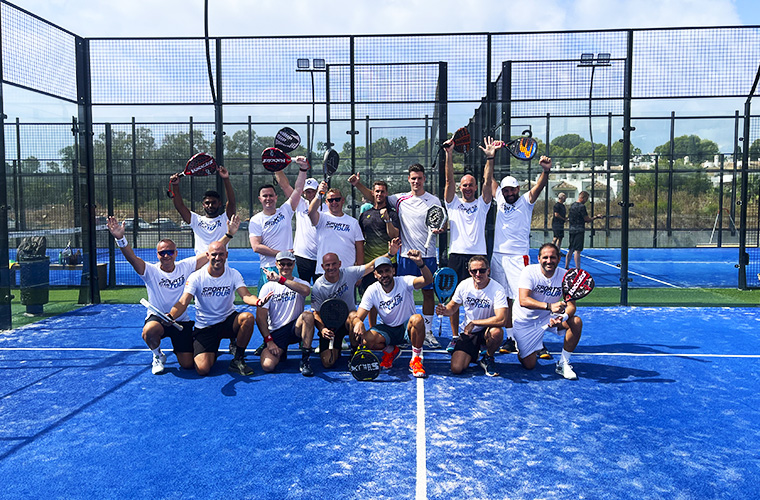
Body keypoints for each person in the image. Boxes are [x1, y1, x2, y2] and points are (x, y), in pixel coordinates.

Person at [106, 215, 239, 374]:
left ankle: (205, 352)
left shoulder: (186, 266)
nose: (166, 255)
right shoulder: (150, 271)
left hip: (180, 320)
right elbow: (132, 259)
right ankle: (157, 356)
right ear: (157, 255)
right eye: (162, 253)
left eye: (170, 252)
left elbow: (212, 252)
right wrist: (120, 239)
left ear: (176, 253)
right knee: (149, 330)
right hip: (158, 318)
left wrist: (229, 234)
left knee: (188, 364)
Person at [350, 165, 444, 349]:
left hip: (428, 254)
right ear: (409, 180)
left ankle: (427, 331)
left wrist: (440, 229)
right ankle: (400, 331)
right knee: (400, 292)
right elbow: (375, 196)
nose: (416, 181)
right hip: (405, 255)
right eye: (413, 178)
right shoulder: (399, 199)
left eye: (419, 178)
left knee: (427, 292)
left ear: (424, 179)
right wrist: (358, 184)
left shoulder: (434, 200)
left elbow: (440, 221)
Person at [167, 241, 272, 377]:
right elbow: (183, 301)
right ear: (207, 256)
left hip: (228, 320)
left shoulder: (233, 274)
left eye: (221, 254)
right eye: (214, 254)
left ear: (226, 255)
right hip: (206, 326)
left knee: (247, 318)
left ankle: (238, 359)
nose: (218, 258)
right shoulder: (196, 277)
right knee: (202, 369)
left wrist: (258, 301)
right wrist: (171, 315)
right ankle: (210, 349)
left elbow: (245, 295)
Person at [489, 156, 552, 355]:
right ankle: (511, 338)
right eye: (506, 190)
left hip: (518, 257)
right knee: (504, 299)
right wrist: (490, 157)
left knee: (524, 300)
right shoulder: (498, 197)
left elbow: (539, 187)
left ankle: (536, 341)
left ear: (518, 189)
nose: (508, 193)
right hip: (498, 257)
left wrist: (546, 171)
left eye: (512, 189)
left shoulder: (526, 201)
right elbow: (488, 178)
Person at [441, 136, 498, 352]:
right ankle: (456, 336)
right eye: (464, 185)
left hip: (479, 256)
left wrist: (489, 158)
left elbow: (487, 181)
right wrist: (449, 154)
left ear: (475, 187)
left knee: (483, 298)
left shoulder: (483, 204)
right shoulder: (452, 204)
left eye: (470, 185)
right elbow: (448, 182)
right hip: (456, 255)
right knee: (456, 298)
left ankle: (483, 336)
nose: (467, 188)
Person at [311, 238, 400, 369]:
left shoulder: (349, 273)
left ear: (340, 264)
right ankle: (336, 348)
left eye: (334, 264)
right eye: (328, 265)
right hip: (329, 326)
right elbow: (316, 313)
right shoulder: (318, 286)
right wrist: (323, 329)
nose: (331, 268)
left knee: (354, 315)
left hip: (348, 322)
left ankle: (355, 351)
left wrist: (390, 254)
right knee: (328, 362)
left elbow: (370, 266)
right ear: (322, 266)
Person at [352, 249, 433, 378]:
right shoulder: (372, 290)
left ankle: (416, 359)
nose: (384, 275)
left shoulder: (404, 282)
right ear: (375, 275)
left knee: (417, 319)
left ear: (393, 271)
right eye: (380, 272)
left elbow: (428, 280)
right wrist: (358, 323)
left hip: (407, 328)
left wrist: (420, 264)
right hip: (388, 330)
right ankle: (391, 351)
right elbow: (358, 316)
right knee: (366, 340)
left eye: (387, 271)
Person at [512, 243, 585, 380]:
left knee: (576, 322)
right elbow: (523, 300)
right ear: (539, 258)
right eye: (545, 257)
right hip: (525, 321)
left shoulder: (566, 276)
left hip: (549, 317)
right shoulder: (529, 272)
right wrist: (550, 306)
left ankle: (563, 363)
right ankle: (524, 346)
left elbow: (571, 307)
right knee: (529, 364)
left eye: (553, 257)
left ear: (558, 259)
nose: (549, 261)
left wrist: (562, 318)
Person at [436, 255, 507, 377]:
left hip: (487, 329)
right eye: (474, 271)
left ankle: (488, 357)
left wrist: (475, 322)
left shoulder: (497, 289)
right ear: (470, 272)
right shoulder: (464, 285)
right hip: (470, 333)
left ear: (488, 271)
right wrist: (444, 310)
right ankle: (474, 353)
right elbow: (452, 307)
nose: (478, 274)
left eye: (482, 270)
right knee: (456, 368)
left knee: (497, 332)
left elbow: (502, 319)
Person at [249, 157, 309, 289]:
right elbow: (256, 247)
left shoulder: (285, 211)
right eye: (265, 196)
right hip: (269, 267)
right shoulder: (256, 220)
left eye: (271, 195)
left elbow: (298, 189)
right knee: (267, 304)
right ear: (260, 199)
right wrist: (282, 253)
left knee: (293, 303)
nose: (268, 198)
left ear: (276, 197)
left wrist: (303, 168)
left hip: (290, 266)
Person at [256, 251, 315, 377]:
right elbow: (260, 317)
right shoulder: (268, 287)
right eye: (282, 264)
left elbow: (306, 291)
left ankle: (305, 360)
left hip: (296, 328)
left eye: (289, 264)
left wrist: (280, 279)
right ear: (276, 264)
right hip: (277, 331)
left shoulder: (301, 283)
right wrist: (269, 341)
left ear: (294, 265)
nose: (285, 267)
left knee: (308, 316)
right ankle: (280, 351)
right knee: (268, 366)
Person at [169, 164, 236, 255]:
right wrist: (175, 186)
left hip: (220, 265)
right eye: (207, 203)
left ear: (219, 204)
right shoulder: (196, 220)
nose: (210, 205)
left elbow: (231, 202)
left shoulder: (225, 219)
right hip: (201, 266)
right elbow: (179, 206)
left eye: (214, 202)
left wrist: (226, 179)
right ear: (203, 205)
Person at [355, 180, 399, 302]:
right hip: (369, 265)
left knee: (391, 298)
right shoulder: (365, 215)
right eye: (377, 191)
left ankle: (393, 321)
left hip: (388, 262)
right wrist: (358, 263)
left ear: (386, 194)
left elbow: (394, 235)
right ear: (373, 193)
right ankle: (372, 322)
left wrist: (387, 220)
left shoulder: (392, 214)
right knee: (369, 299)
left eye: (382, 191)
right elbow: (360, 240)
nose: (379, 194)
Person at [308, 183, 364, 276]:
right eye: (330, 200)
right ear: (326, 202)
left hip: (347, 273)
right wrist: (319, 194)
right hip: (324, 273)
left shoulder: (353, 222)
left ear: (342, 200)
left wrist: (359, 273)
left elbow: (360, 249)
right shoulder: (321, 218)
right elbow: (311, 212)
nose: (334, 203)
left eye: (337, 199)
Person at [275, 171, 320, 283]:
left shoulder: (327, 206)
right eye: (307, 192)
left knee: (321, 293)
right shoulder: (300, 203)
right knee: (298, 292)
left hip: (321, 257)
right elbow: (285, 186)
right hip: (302, 257)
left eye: (313, 191)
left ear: (318, 190)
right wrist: (277, 169)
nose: (310, 194)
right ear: (303, 193)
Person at [565, 191, 604, 270]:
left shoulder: (572, 205)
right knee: (577, 250)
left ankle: (566, 266)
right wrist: (596, 217)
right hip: (579, 230)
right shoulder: (581, 207)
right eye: (586, 198)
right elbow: (587, 219)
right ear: (583, 198)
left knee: (571, 249)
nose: (586, 201)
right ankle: (578, 268)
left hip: (571, 230)